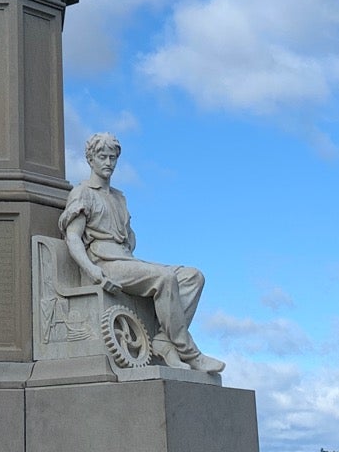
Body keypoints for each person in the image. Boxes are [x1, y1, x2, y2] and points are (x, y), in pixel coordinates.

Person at [60, 133, 222, 372]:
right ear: (90, 160)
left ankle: (164, 343)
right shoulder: (82, 193)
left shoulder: (119, 197)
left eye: (112, 157)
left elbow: (129, 238)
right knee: (164, 278)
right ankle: (190, 352)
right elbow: (73, 237)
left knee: (192, 276)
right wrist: (92, 270)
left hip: (125, 259)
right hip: (104, 263)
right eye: (102, 157)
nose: (108, 162)